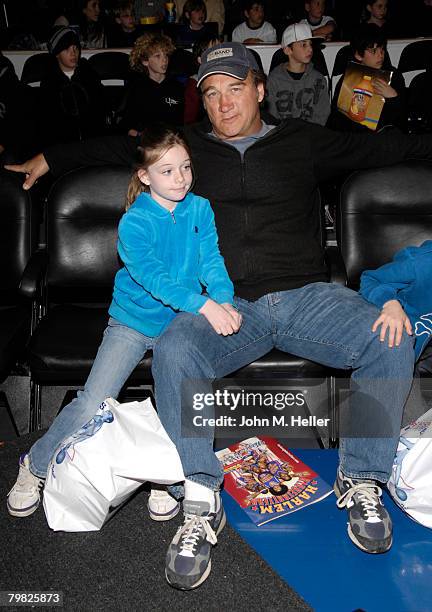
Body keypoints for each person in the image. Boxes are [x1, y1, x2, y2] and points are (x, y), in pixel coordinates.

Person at [6, 41, 432, 591]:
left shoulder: (302, 141)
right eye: (211, 93)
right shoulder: (190, 152)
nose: (224, 103)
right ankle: (202, 498)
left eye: (236, 88)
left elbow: (386, 150)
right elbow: (124, 147)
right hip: (231, 306)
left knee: (389, 335)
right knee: (177, 345)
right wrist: (51, 158)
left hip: (306, 295)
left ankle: (363, 478)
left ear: (259, 90)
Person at [6, 123, 240, 524]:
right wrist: (205, 306)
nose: (180, 178)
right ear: (144, 176)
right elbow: (154, 280)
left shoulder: (200, 208)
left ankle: (166, 479)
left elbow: (211, 260)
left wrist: (224, 299)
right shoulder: (135, 222)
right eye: (167, 171)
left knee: (177, 401)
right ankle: (36, 465)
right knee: (93, 401)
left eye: (185, 167)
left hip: (178, 324)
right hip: (132, 323)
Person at [360, 240, 432, 423]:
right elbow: (370, 279)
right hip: (408, 348)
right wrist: (390, 303)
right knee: (419, 431)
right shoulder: (421, 263)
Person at [327, 24, 406, 133]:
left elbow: (401, 119)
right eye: (373, 51)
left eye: (382, 49)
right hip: (356, 139)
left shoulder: (394, 76)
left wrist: (393, 97)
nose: (380, 55)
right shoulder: (349, 78)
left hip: (384, 139)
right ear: (359, 55)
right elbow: (335, 118)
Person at [40, 27, 105, 146]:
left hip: (92, 142)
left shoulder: (89, 75)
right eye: (66, 49)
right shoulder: (49, 81)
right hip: (62, 145)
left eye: (75, 48)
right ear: (57, 54)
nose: (73, 53)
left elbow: (100, 111)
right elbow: (48, 121)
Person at [120, 33, 185, 136]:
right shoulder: (137, 88)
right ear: (145, 61)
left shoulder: (177, 87)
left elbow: (184, 122)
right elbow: (126, 125)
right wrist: (139, 135)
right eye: (157, 56)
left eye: (166, 55)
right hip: (145, 141)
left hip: (171, 140)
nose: (164, 60)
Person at [266, 23, 330, 125]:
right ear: (287, 50)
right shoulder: (274, 79)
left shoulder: (319, 79)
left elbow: (322, 114)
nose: (310, 49)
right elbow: (272, 116)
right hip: (283, 136)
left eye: (310, 44)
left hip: (312, 135)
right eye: (304, 44)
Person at [184, 34, 219, 124]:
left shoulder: (230, 77)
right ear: (200, 60)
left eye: (220, 49)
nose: (219, 54)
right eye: (214, 51)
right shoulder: (194, 85)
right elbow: (189, 121)